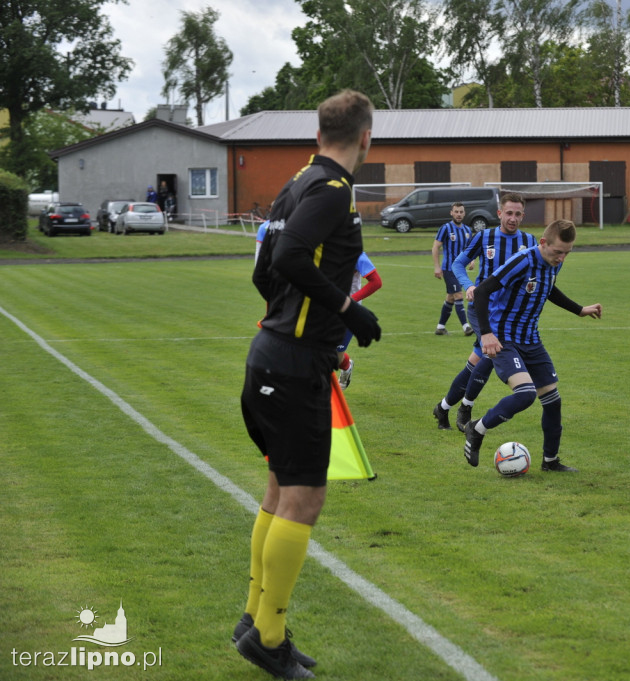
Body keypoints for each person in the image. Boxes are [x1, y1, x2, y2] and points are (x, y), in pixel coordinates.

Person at [234, 89, 380, 681]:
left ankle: (255, 621)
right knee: (304, 499)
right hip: (291, 367)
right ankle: (269, 638)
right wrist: (346, 310)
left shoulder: (295, 182)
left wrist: (298, 321)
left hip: (275, 357)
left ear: (321, 133)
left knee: (278, 490)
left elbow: (262, 270)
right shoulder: (332, 192)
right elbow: (292, 254)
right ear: (365, 137)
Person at [462, 219, 602, 472]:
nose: (561, 258)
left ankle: (550, 462)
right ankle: (477, 428)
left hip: (531, 340)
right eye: (558, 251)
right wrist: (486, 334)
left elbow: (549, 289)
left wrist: (579, 310)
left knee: (553, 401)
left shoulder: (553, 264)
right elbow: (482, 291)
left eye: (567, 253)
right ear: (543, 243)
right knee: (525, 394)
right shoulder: (522, 261)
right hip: (504, 338)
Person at [432, 193, 536, 431]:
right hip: (483, 309)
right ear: (500, 213)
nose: (513, 218)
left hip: (509, 315)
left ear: (523, 215)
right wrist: (468, 285)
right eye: (508, 213)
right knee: (491, 353)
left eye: (518, 214)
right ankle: (465, 407)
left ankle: (444, 407)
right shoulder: (485, 236)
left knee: (476, 361)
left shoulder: (529, 241)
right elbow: (458, 263)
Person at [336, 251, 382, 389]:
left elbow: (376, 282)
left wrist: (349, 301)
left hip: (348, 313)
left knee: (335, 357)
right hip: (323, 309)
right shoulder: (318, 248)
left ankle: (346, 366)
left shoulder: (355, 252)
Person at [432, 202, 474, 336]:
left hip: (460, 270)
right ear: (451, 213)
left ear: (464, 213)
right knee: (459, 295)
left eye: (461, 212)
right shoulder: (445, 228)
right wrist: (437, 267)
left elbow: (470, 249)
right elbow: (435, 247)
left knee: (451, 298)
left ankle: (440, 327)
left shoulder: (467, 230)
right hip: (449, 269)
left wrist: (472, 260)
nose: (459, 214)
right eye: (456, 211)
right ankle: (466, 327)